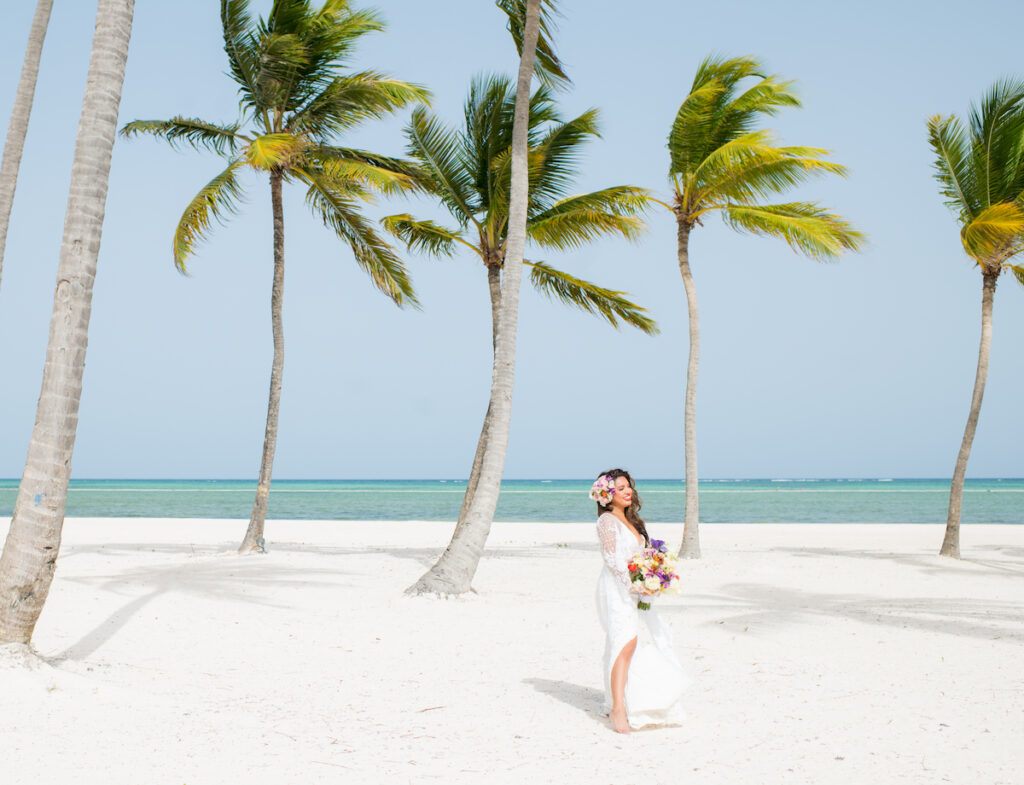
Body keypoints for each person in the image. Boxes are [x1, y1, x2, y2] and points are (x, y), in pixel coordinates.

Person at [593, 468, 690, 733]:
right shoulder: (607, 522)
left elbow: (642, 557)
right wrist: (634, 587)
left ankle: (625, 699)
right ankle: (617, 710)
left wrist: (655, 577)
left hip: (635, 590)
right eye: (620, 488)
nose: (627, 492)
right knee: (624, 641)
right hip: (616, 589)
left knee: (634, 643)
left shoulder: (633, 522)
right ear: (607, 495)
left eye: (628, 487)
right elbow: (612, 559)